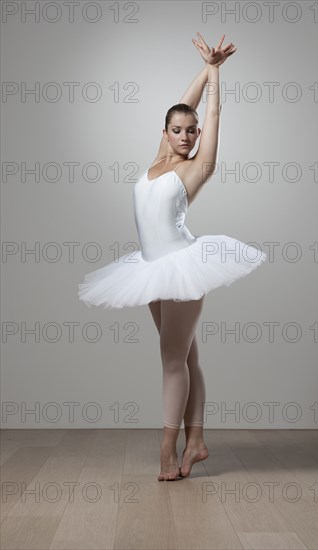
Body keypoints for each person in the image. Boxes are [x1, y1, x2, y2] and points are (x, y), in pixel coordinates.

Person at [78, 32, 267, 481]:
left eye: (192, 131)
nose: (185, 136)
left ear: (198, 134)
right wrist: (206, 66)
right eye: (177, 130)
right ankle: (196, 441)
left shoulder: (194, 168)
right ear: (165, 133)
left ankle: (167, 448)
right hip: (149, 269)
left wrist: (217, 75)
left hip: (181, 266)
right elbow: (183, 104)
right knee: (185, 357)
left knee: (170, 360)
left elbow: (210, 111)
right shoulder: (159, 158)